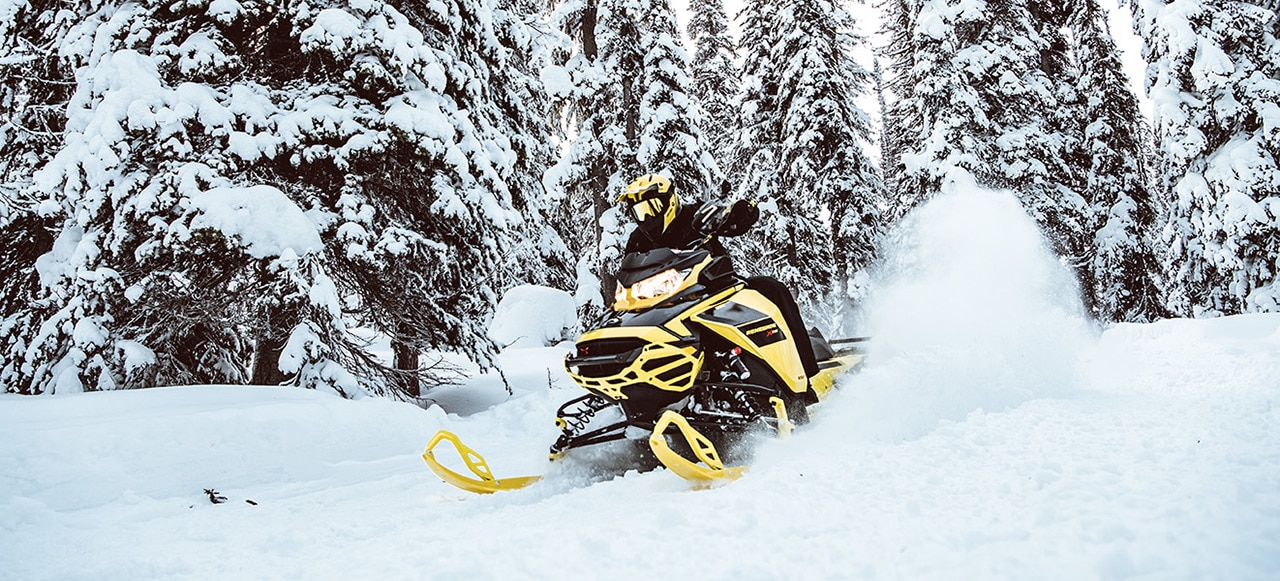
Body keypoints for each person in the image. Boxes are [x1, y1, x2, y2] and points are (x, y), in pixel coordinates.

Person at [617, 173, 820, 378]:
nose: (647, 218)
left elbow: (726, 219)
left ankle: (805, 372)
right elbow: (630, 270)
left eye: (652, 208)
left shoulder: (695, 215)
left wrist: (741, 213)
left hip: (717, 288)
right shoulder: (638, 240)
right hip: (667, 303)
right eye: (639, 212)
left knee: (772, 289)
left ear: (669, 201)